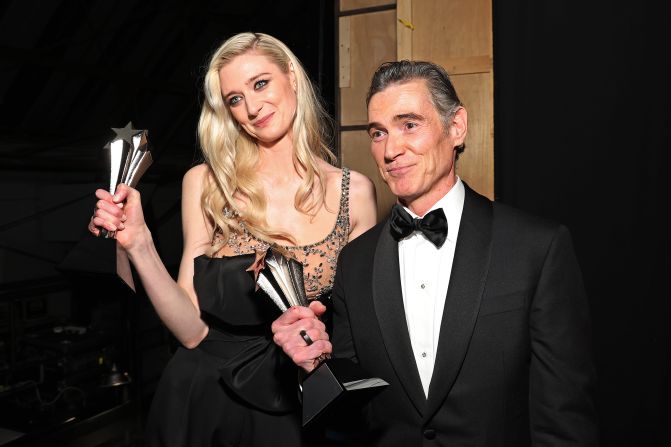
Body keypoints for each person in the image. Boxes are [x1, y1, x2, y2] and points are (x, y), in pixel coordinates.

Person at [272, 60, 599, 446]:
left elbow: (563, 419)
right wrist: (314, 368)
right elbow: (350, 421)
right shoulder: (356, 262)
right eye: (378, 133)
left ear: (456, 126)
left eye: (409, 125)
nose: (391, 149)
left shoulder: (536, 248)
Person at [88, 32, 376, 447]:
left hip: (295, 402)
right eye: (235, 99)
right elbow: (189, 331)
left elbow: (356, 331)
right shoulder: (206, 184)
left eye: (261, 84)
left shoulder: (355, 192)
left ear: (291, 76)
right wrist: (139, 243)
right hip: (201, 398)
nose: (252, 108)